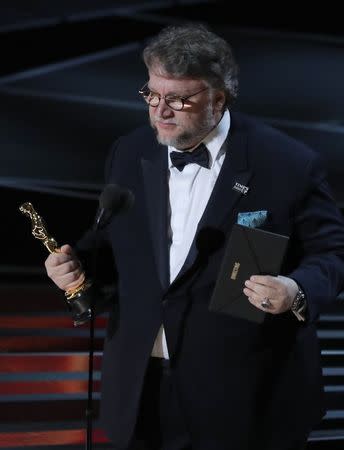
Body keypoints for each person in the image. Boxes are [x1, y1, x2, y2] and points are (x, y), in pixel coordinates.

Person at [44, 22, 344, 450]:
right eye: (151, 94)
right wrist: (75, 267)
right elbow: (116, 246)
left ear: (218, 98)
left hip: (245, 394)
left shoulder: (288, 163)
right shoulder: (129, 152)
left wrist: (295, 290)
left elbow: (332, 254)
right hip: (140, 387)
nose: (160, 111)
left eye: (178, 99)